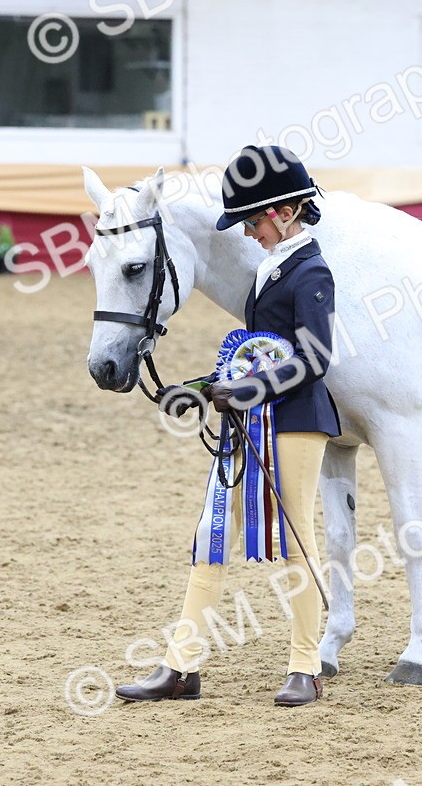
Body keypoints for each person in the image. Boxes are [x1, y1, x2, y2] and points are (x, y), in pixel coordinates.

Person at [115, 145, 340, 706]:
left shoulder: (312, 271)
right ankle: (182, 666)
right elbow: (252, 355)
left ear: (284, 213)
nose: (247, 232)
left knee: (296, 539)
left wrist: (246, 391)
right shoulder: (270, 269)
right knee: (211, 537)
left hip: (295, 421)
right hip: (251, 420)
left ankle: (305, 665)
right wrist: (194, 388)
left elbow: (315, 357)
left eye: (253, 221)